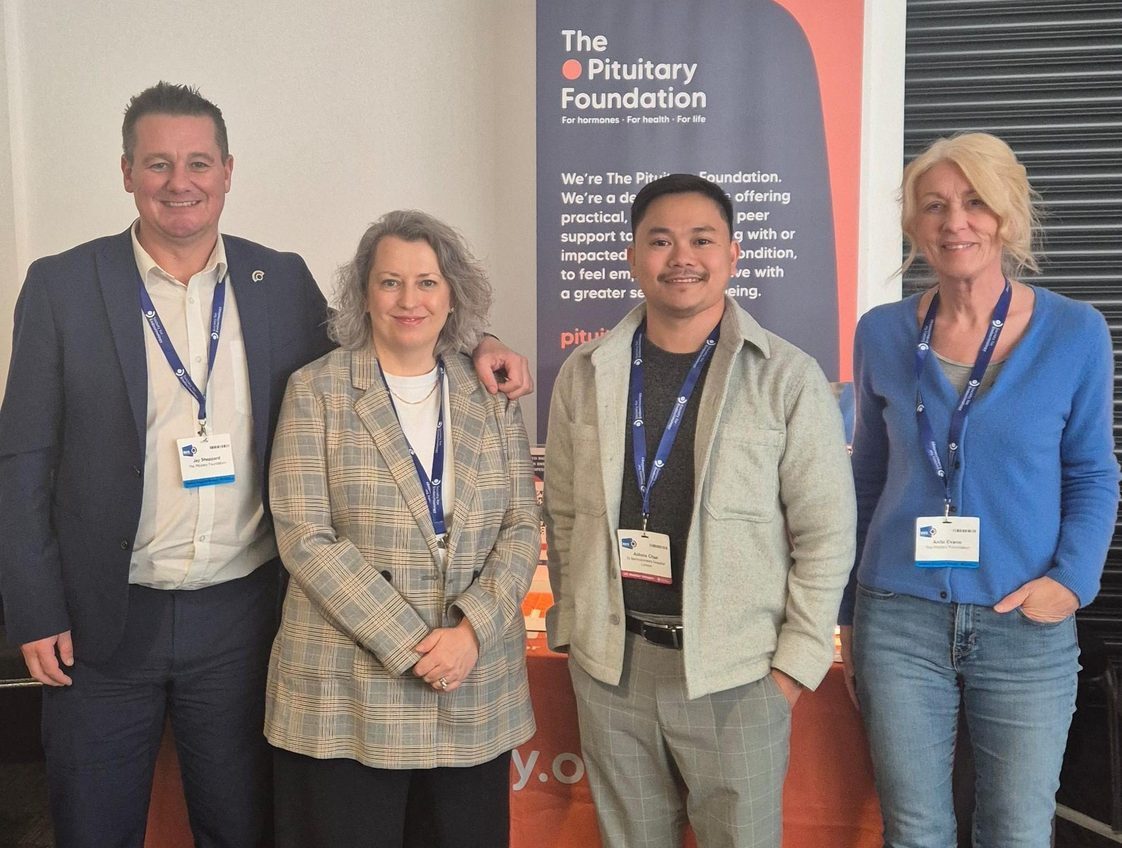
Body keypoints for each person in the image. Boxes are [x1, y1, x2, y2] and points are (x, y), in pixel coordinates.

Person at [0, 82, 532, 848]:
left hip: (241, 624)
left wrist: (477, 343)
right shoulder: (62, 286)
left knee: (243, 828)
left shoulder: (275, 279)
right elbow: (22, 458)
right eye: (157, 164)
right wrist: (35, 607)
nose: (179, 182)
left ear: (227, 171)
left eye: (198, 162)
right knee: (92, 827)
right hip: (102, 621)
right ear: (125, 173)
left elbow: (385, 339)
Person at [543, 173, 856, 848]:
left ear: (733, 255)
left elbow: (826, 534)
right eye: (660, 240)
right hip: (613, 669)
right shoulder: (586, 371)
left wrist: (789, 672)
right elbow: (563, 516)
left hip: (737, 676)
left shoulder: (787, 377)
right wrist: (575, 630)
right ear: (632, 257)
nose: (680, 256)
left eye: (701, 239)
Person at [838, 132, 1120, 848]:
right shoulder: (881, 334)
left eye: (973, 203)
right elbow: (865, 476)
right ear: (914, 225)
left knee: (1018, 831)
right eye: (934, 206)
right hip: (898, 622)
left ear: (1007, 217)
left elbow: (1093, 471)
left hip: (1025, 620)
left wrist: (1073, 581)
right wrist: (847, 608)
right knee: (915, 829)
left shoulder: (1075, 333)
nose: (954, 221)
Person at [264, 209, 538, 848]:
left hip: (472, 694)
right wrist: (419, 645)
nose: (409, 300)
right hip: (346, 696)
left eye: (427, 283)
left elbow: (523, 524)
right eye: (390, 282)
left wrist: (471, 632)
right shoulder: (316, 391)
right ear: (364, 293)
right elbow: (305, 535)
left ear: (453, 296)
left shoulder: (489, 392)